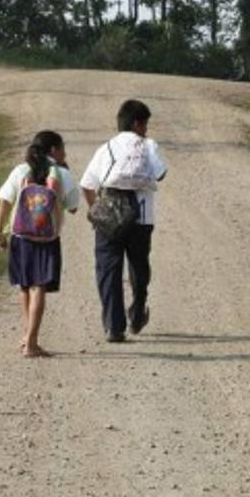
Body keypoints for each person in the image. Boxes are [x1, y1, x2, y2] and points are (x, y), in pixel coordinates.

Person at [79, 99, 168, 343]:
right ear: (138, 123)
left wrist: (97, 210)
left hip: (110, 217)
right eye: (146, 125)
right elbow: (161, 174)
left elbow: (87, 184)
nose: (147, 130)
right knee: (139, 267)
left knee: (108, 268)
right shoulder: (148, 145)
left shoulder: (105, 148)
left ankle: (114, 327)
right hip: (142, 216)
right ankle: (137, 312)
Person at [0, 130, 81, 358]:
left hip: (20, 236)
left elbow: (4, 200)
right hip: (47, 238)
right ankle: (31, 343)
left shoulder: (21, 170)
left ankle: (27, 336)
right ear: (53, 150)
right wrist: (64, 178)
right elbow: (73, 208)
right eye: (62, 149)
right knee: (39, 286)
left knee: (25, 285)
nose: (65, 153)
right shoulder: (62, 174)